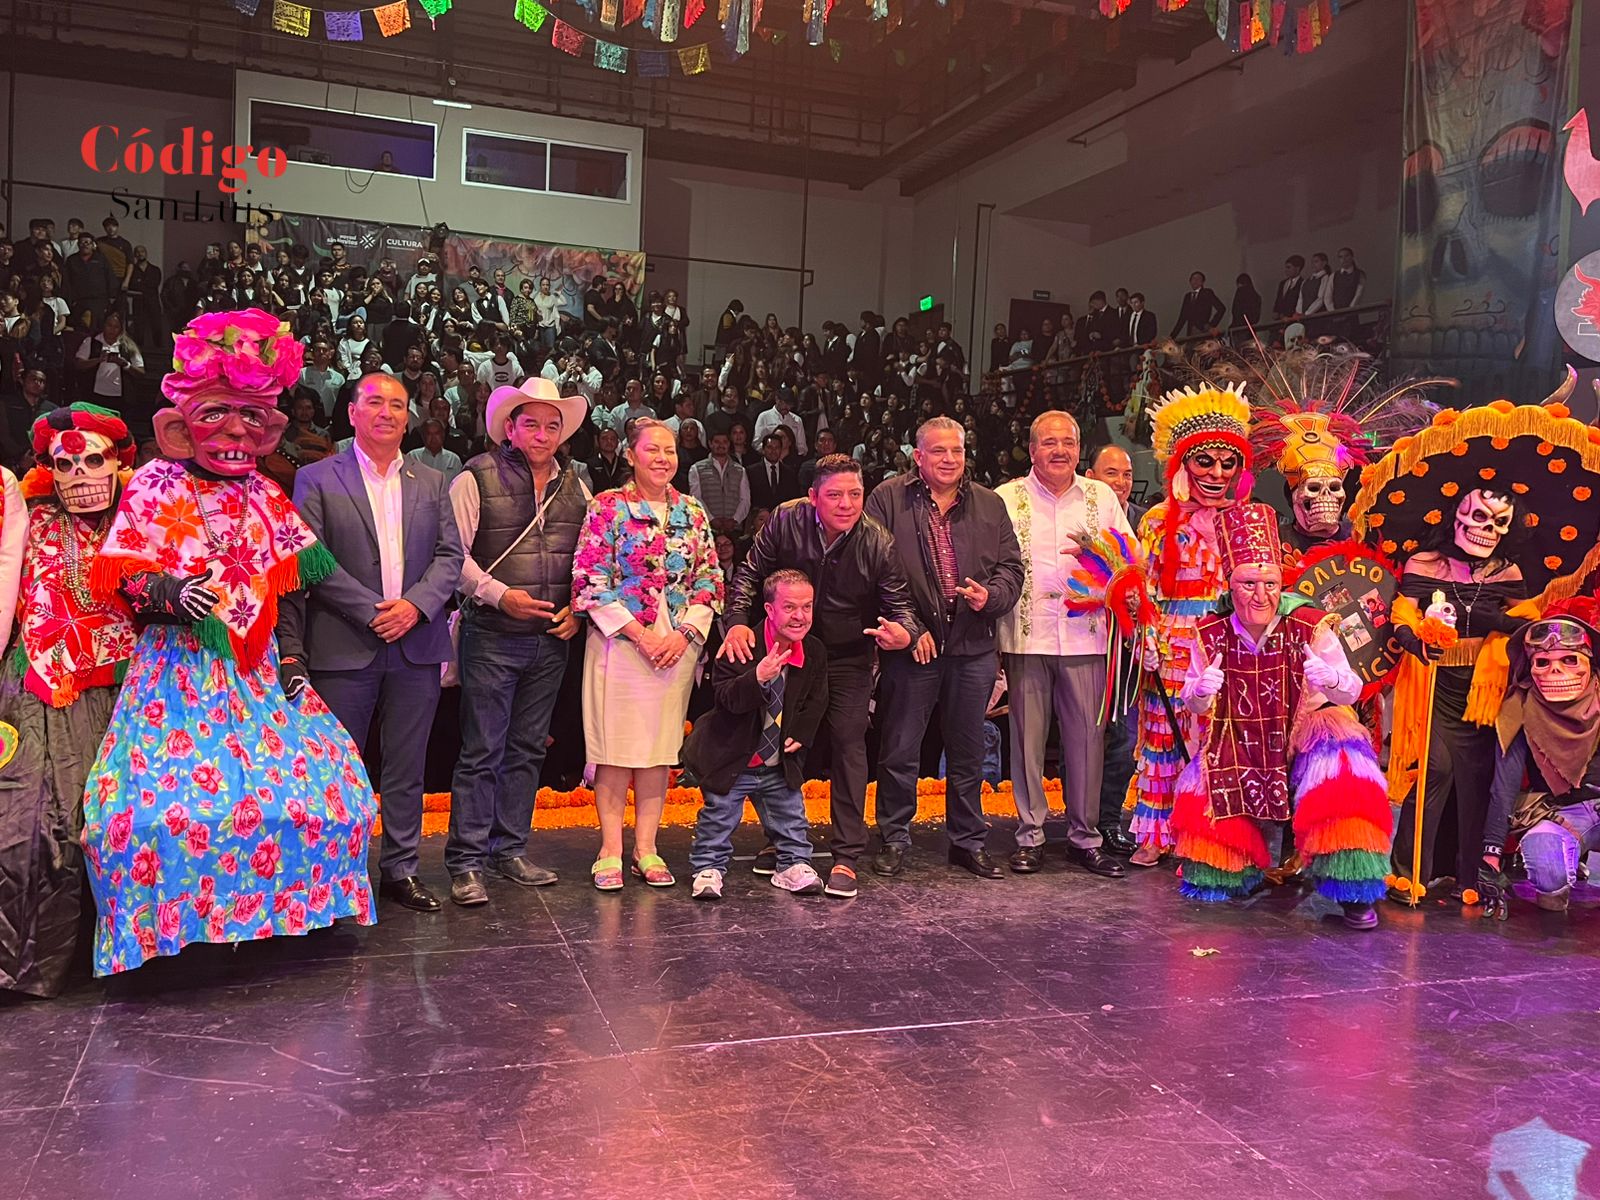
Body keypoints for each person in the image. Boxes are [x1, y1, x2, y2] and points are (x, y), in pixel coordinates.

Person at [81, 310, 377, 976]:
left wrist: (292, 659)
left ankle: (276, 919)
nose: (239, 432)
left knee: (331, 793)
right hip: (176, 675)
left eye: (254, 417)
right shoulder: (156, 483)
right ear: (178, 427)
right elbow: (124, 572)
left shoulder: (267, 495)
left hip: (257, 673)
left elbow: (290, 587)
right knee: (147, 815)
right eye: (218, 414)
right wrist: (168, 592)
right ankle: (177, 932)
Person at [283, 372, 464, 913]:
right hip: (344, 643)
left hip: (416, 642)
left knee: (407, 767)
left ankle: (401, 870)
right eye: (375, 402)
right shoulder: (316, 477)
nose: (387, 412)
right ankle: (337, 876)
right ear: (352, 412)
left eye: (398, 405)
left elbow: (450, 557)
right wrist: (372, 611)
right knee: (339, 767)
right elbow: (308, 556)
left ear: (409, 418)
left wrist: (415, 607)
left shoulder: (433, 481)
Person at [1169, 502, 1386, 929]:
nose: (1261, 595)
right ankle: (1234, 868)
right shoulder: (1210, 633)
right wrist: (1199, 692)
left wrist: (1330, 679)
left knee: (1344, 776)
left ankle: (1353, 890)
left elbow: (1351, 688)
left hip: (1309, 727)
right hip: (1240, 732)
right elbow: (1193, 702)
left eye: (1270, 583)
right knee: (1206, 785)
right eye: (1249, 584)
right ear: (1231, 585)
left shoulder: (1310, 624)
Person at [722, 455, 918, 899]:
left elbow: (900, 603)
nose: (846, 504)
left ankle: (847, 854)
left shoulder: (877, 540)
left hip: (848, 656)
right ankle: (782, 841)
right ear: (813, 496)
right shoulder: (785, 520)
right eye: (834, 495)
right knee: (781, 741)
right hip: (790, 649)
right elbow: (749, 574)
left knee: (848, 740)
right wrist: (735, 622)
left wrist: (903, 632)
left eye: (855, 494)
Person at [445, 379, 591, 904]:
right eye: (531, 424)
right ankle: (466, 861)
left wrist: (580, 607)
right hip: (492, 634)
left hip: (550, 640)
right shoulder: (475, 477)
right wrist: (500, 595)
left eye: (552, 426)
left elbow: (591, 558)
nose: (543, 435)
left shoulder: (577, 485)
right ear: (510, 428)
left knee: (527, 749)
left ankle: (508, 850)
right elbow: (451, 556)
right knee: (482, 748)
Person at [865, 417, 1023, 878]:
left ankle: (968, 841)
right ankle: (894, 837)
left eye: (957, 450)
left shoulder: (990, 503)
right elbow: (876, 571)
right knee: (900, 749)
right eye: (939, 451)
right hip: (912, 648)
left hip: (973, 646)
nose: (950, 459)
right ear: (918, 457)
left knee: (969, 750)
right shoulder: (887, 498)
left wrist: (991, 597)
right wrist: (911, 627)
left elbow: (1012, 569)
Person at [573, 419, 723, 891]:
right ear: (630, 455)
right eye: (652, 449)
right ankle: (610, 850)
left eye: (669, 450)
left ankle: (647, 848)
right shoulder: (607, 507)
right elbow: (589, 580)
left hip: (675, 646)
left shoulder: (692, 511)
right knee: (615, 750)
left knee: (658, 751)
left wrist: (683, 635)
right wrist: (640, 635)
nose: (662, 458)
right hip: (620, 642)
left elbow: (710, 578)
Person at [992, 413, 1133, 876]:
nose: (1059, 450)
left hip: (1086, 636)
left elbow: (1131, 559)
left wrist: (1104, 559)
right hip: (1026, 636)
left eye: (1068, 442)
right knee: (1027, 743)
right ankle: (1029, 835)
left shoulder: (1101, 497)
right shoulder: (1006, 498)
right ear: (1032, 449)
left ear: (1078, 449)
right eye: (1049, 442)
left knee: (1088, 742)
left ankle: (1084, 838)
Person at [1129, 384, 1253, 866]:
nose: (1217, 474)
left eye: (1228, 463)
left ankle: (1209, 836)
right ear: (1183, 464)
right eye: (1205, 462)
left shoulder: (1245, 521)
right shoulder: (1158, 520)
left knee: (1220, 742)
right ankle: (1157, 834)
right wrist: (1146, 637)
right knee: (1164, 739)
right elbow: (1145, 590)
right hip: (1172, 645)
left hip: (1228, 645)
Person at [683, 569, 830, 900]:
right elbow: (725, 699)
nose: (800, 616)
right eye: (790, 607)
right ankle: (708, 868)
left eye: (807, 607)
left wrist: (803, 731)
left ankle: (793, 864)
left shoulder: (814, 650)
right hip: (733, 758)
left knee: (791, 816)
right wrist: (758, 678)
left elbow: (817, 698)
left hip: (778, 761)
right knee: (719, 817)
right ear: (769, 609)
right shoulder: (741, 645)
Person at [1480, 610, 1600, 918]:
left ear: (1589, 662)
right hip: (1562, 813)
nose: (1555, 671)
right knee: (1546, 864)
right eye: (1543, 662)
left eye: (1569, 660)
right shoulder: (1519, 708)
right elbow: (1504, 786)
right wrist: (1491, 853)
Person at [1081, 442, 1143, 855]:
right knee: (1084, 738)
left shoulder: (1146, 522)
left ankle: (1108, 821)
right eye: (1111, 473)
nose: (1121, 483)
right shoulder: (1079, 521)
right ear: (1090, 477)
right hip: (1084, 645)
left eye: (1127, 475)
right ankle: (1080, 821)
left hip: (1133, 651)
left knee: (1124, 738)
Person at [74, 311, 144, 409]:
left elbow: (141, 372)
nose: (112, 330)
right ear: (104, 325)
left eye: (116, 327)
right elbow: (79, 365)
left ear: (121, 329)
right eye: (109, 325)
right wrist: (98, 360)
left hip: (120, 397)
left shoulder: (128, 346)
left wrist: (125, 365)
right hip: (93, 395)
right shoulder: (92, 342)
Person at [688, 429, 750, 534]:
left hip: (734, 529)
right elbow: (695, 498)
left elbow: (745, 499)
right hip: (706, 529)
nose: (721, 445)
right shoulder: (697, 468)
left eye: (724, 442)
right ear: (710, 444)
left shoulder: (740, 470)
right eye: (717, 442)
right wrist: (710, 519)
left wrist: (735, 520)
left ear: (729, 444)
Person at [1170, 272, 1226, 338]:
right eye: (1193, 278)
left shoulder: (1207, 292)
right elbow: (1182, 317)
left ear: (1202, 282)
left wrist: (1210, 326)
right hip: (1191, 331)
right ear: (1190, 281)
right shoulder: (1188, 297)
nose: (1195, 281)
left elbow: (1221, 308)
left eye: (1198, 279)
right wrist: (1172, 336)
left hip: (1202, 329)